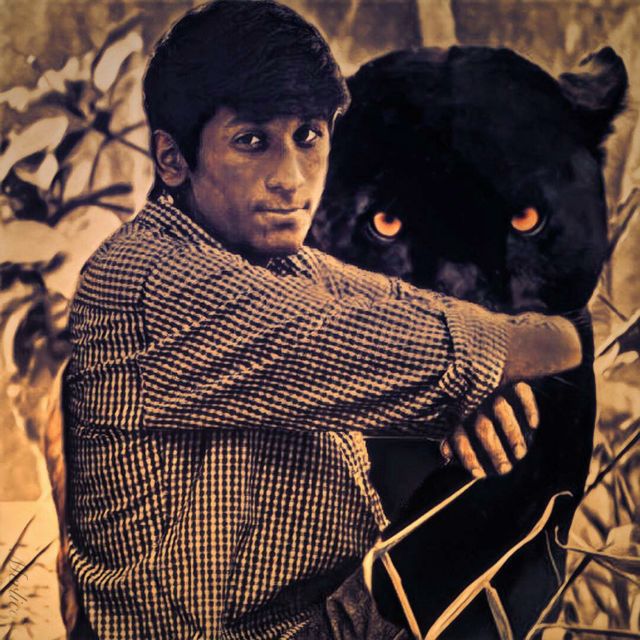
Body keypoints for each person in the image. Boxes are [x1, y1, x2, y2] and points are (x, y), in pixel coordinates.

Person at [62, 1, 583, 638]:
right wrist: (492, 366)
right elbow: (478, 348)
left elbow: (452, 330)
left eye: (308, 136)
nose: (290, 179)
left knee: (526, 430)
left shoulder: (295, 269)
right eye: (252, 141)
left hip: (328, 614)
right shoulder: (148, 278)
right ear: (173, 159)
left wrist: (476, 395)